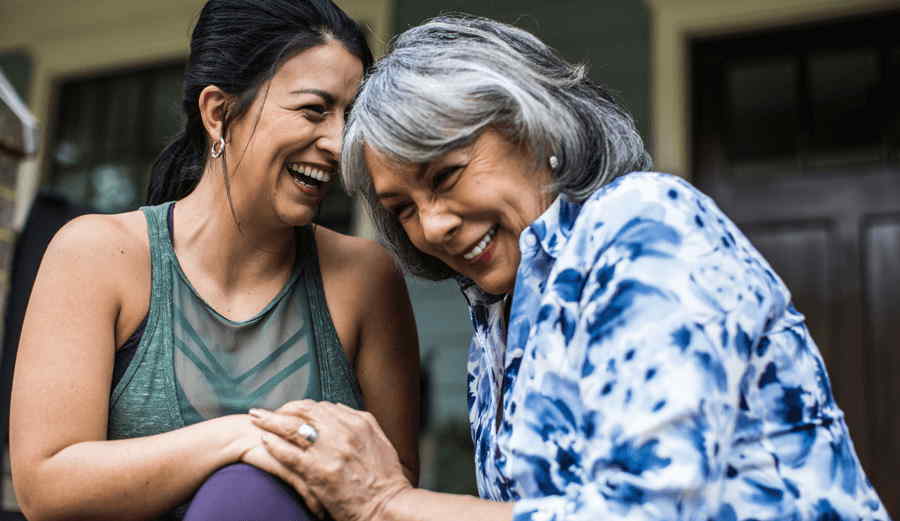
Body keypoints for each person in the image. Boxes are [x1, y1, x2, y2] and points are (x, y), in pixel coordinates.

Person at [247, 14, 891, 521]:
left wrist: (386, 504)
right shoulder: (501, 312)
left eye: (446, 175)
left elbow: (651, 513)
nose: (432, 225)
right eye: (402, 208)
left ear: (539, 132)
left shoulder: (643, 227)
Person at [9, 1, 420, 520]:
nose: (339, 144)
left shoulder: (367, 278)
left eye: (350, 118)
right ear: (218, 112)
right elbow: (46, 486)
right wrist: (244, 435)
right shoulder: (98, 255)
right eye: (314, 110)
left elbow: (391, 489)